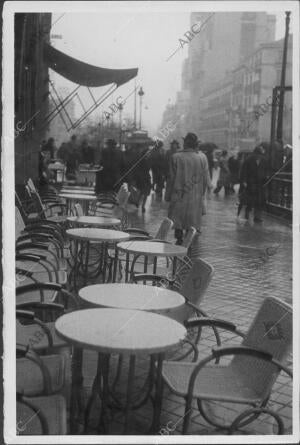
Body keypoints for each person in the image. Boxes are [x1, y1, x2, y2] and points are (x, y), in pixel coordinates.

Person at [165, 132, 210, 245]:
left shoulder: (176, 157)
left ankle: (179, 237)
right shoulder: (202, 157)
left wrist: (168, 195)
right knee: (192, 221)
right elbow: (206, 180)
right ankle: (188, 239)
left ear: (184, 144)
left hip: (179, 194)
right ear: (196, 144)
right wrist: (202, 194)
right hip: (195, 195)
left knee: (178, 218)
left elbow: (171, 179)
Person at [240, 143, 268, 222]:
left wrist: (266, 177)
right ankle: (247, 214)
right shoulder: (249, 159)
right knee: (250, 200)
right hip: (250, 183)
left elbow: (266, 170)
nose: (258, 157)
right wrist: (244, 181)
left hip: (260, 183)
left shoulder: (264, 160)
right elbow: (244, 171)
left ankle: (257, 217)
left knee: (259, 201)